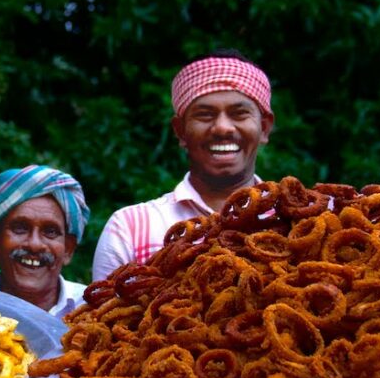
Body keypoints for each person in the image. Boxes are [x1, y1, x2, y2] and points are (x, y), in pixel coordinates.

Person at [92, 49, 274, 281]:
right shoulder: (130, 228)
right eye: (205, 115)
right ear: (180, 131)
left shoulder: (303, 219)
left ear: (265, 128)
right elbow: (100, 315)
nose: (222, 128)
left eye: (239, 114)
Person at [0, 165, 90, 316]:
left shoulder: (92, 309)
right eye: (20, 228)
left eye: (50, 231)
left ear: (68, 249)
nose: (34, 244)